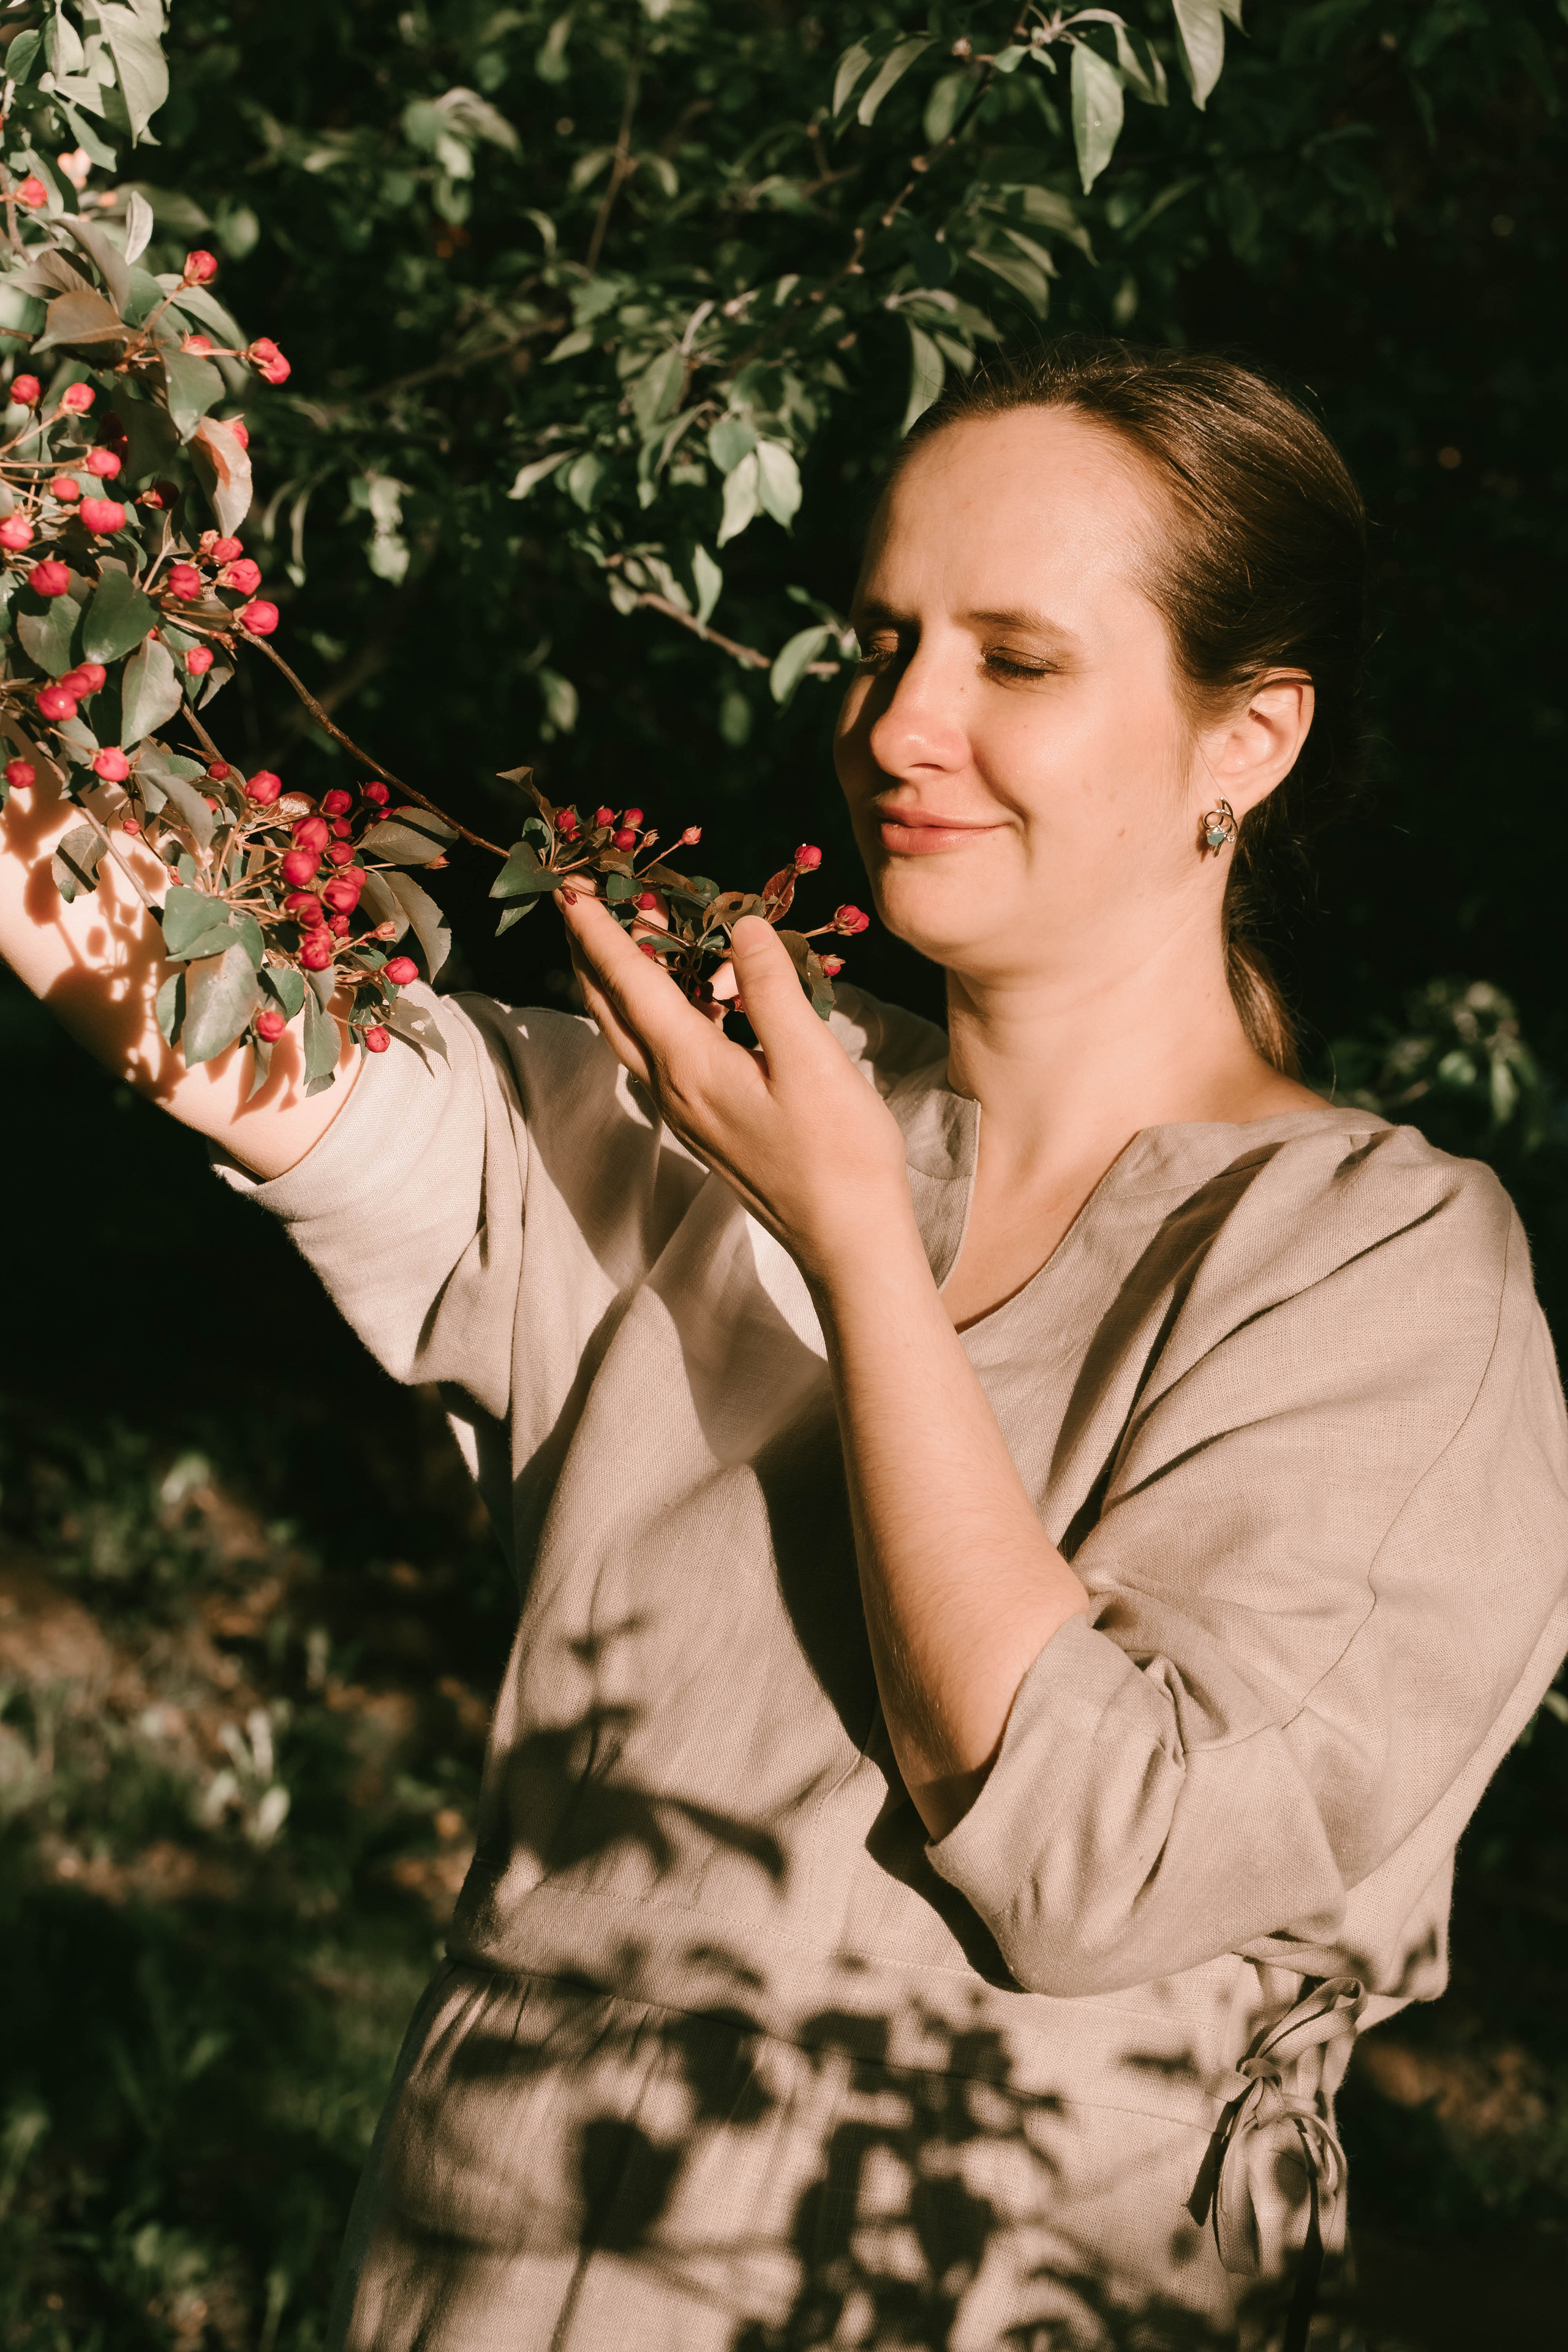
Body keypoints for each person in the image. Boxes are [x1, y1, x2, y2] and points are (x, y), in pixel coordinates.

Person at [4, 337, 1566, 2352]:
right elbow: (242, 1025)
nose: (901, 722)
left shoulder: (1382, 1266)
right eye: (882, 639)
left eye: (1017, 660)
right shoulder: (695, 1114)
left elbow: (1100, 1857)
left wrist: (853, 1243)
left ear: (1244, 738)